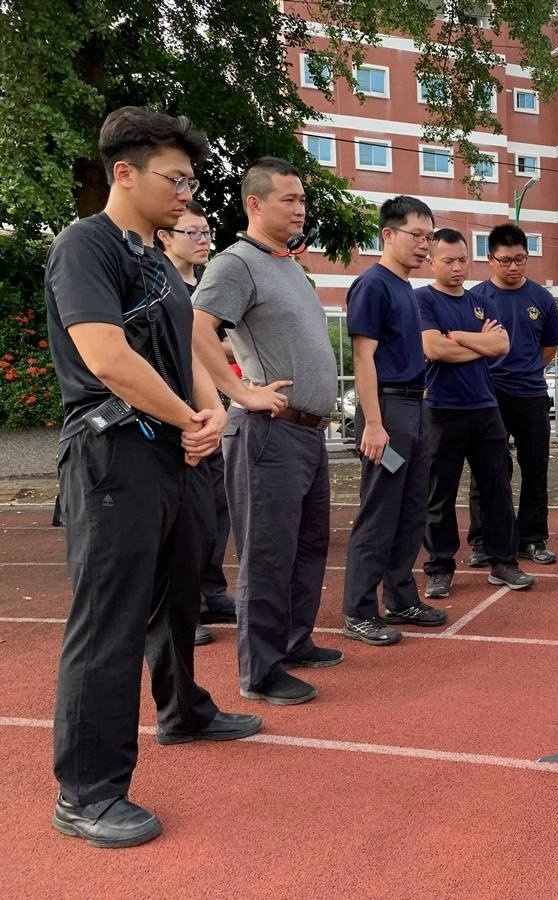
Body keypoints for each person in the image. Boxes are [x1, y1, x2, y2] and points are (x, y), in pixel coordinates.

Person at [45, 106, 261, 849]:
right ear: (124, 172)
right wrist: (184, 418)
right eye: (175, 178)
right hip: (115, 455)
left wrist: (212, 416)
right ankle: (87, 791)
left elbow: (192, 353)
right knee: (107, 623)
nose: (187, 193)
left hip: (177, 454)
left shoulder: (160, 266)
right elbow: (106, 357)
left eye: (192, 181)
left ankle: (185, 711)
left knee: (179, 601)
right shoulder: (85, 247)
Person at [192, 156, 340, 706]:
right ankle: (260, 671)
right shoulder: (236, 263)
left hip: (307, 434)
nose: (300, 209)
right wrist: (243, 392)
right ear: (254, 204)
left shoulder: (286, 264)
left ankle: (295, 641)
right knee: (267, 553)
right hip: (268, 433)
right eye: (289, 200)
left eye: (302, 200)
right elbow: (196, 327)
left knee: (308, 546)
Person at [341, 196, 447, 647]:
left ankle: (401, 597)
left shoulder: (405, 287)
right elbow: (362, 357)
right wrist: (373, 423)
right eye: (416, 235)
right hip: (388, 410)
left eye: (429, 236)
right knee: (380, 510)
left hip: (415, 408)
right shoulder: (373, 285)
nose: (425, 245)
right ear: (388, 234)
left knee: (412, 508)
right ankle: (359, 609)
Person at [416, 228, 535, 598]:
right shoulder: (422, 300)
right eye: (448, 260)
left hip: (485, 407)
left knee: (497, 488)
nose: (457, 267)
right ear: (432, 261)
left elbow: (501, 344)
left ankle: (504, 562)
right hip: (441, 408)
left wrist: (457, 336)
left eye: (462, 259)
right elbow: (433, 349)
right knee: (439, 493)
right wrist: (474, 342)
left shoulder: (483, 301)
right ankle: (439, 566)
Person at [154, 201, 237, 648]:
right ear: (165, 237)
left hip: (211, 409)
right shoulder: (158, 285)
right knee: (180, 515)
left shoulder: (207, 286)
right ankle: (178, 605)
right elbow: (196, 347)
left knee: (214, 508)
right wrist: (220, 349)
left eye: (207, 233)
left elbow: (223, 345)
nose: (204, 240)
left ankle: (211, 592)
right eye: (194, 233)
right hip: (173, 413)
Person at [466, 223, 558, 568]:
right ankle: (483, 539)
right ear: (490, 259)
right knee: (487, 470)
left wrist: (529, 369)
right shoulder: (476, 299)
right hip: (487, 396)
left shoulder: (542, 298)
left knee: (535, 467)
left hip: (532, 394)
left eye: (520, 259)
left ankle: (532, 537)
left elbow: (549, 346)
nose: (513, 267)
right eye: (505, 260)